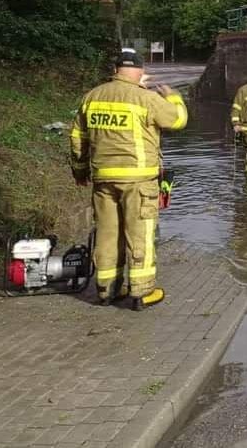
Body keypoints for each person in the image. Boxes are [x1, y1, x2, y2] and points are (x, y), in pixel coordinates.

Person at [69, 50, 188, 309]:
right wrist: (173, 96)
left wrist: (80, 171)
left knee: (108, 234)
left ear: (115, 70)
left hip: (103, 180)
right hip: (138, 181)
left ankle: (106, 290)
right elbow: (179, 119)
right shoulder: (145, 98)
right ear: (141, 72)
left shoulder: (92, 97)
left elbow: (78, 137)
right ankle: (141, 293)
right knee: (139, 234)